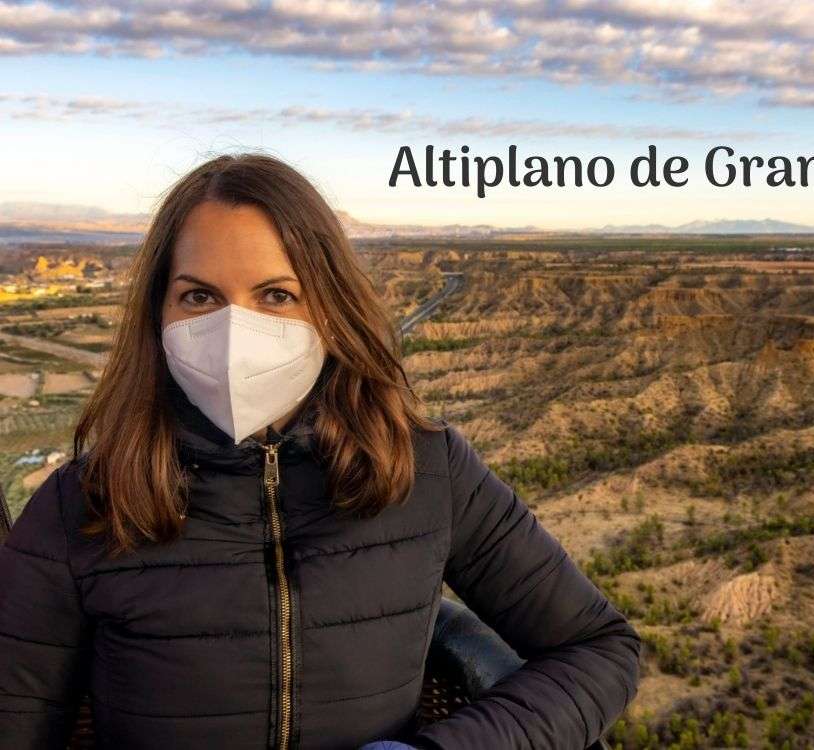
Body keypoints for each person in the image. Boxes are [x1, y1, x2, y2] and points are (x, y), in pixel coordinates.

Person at [0, 153, 641, 749]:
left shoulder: (428, 472)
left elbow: (598, 647)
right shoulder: (82, 507)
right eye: (200, 296)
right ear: (159, 316)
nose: (234, 332)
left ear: (330, 312)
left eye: (276, 296)